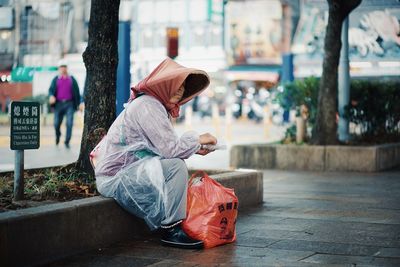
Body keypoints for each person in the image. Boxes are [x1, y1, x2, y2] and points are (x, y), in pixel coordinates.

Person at [93, 58, 217, 249]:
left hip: (126, 173)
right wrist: (198, 139)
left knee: (174, 164)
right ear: (163, 84)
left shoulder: (154, 106)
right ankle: (172, 229)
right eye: (176, 84)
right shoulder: (148, 106)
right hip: (115, 178)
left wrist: (194, 148)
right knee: (175, 166)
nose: (181, 90)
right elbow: (171, 150)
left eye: (184, 87)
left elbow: (164, 147)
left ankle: (170, 224)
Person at [48, 61, 80, 148]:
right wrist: (51, 96)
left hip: (69, 104)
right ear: (59, 69)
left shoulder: (72, 79)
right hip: (58, 104)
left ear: (67, 68)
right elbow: (50, 90)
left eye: (64, 67)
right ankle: (58, 135)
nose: (63, 69)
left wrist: (79, 103)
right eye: (61, 67)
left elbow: (77, 92)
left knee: (69, 123)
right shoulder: (56, 79)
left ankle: (67, 141)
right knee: (56, 123)